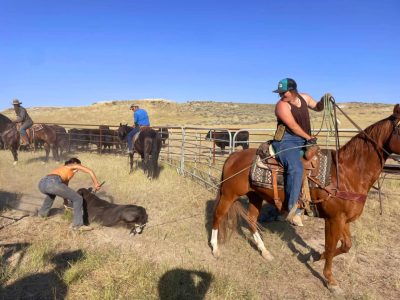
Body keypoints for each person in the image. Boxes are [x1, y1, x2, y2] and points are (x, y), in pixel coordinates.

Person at [271, 78, 325, 226]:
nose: (281, 95)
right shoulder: (281, 106)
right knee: (295, 168)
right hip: (286, 141)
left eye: (284, 92)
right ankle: (291, 210)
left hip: (304, 140)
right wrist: (309, 138)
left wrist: (323, 101)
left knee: (321, 163)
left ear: (293, 90)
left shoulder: (305, 97)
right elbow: (293, 127)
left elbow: (318, 107)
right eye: (280, 93)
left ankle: (310, 203)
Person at [38, 157, 102, 231]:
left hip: (42, 184)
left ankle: (42, 214)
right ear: (75, 163)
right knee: (78, 198)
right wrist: (96, 183)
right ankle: (77, 225)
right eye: (79, 166)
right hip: (53, 182)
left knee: (51, 194)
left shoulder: (63, 171)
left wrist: (65, 201)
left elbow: (64, 188)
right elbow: (90, 171)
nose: (78, 170)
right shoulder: (72, 165)